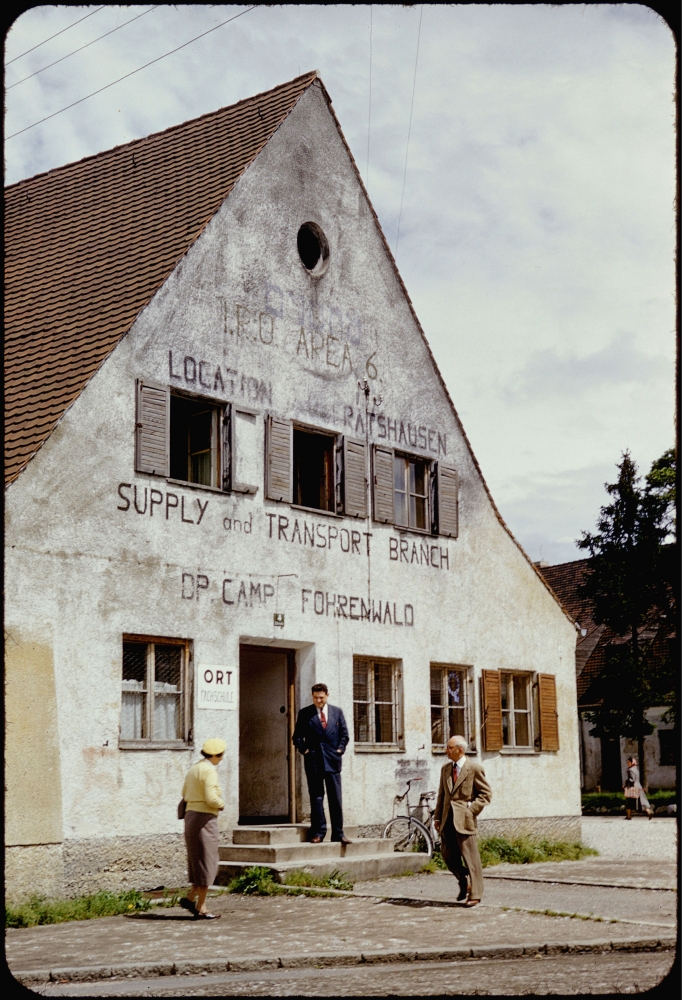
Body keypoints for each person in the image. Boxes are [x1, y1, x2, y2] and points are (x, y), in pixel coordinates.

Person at [433, 735, 492, 907]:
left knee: (470, 857)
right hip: (447, 819)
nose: (446, 751)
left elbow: (486, 794)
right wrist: (437, 817)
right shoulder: (445, 769)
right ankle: (463, 880)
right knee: (448, 856)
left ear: (460, 750)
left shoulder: (474, 768)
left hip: (464, 819)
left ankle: (476, 893)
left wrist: (471, 810)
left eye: (449, 748)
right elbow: (442, 795)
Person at [293, 683, 350, 844]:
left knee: (335, 798)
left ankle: (338, 833)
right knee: (317, 797)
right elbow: (297, 737)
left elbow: (344, 735)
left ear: (327, 695)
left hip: (333, 761)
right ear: (312, 697)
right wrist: (304, 750)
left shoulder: (336, 712)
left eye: (321, 697)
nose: (318, 700)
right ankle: (318, 832)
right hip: (314, 762)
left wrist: (339, 750)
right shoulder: (305, 713)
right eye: (316, 698)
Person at [179, 738, 226, 919]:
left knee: (197, 860)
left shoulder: (195, 768)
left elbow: (184, 793)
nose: (221, 758)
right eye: (220, 755)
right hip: (205, 818)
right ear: (214, 755)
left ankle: (191, 899)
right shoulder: (209, 770)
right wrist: (220, 804)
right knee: (207, 861)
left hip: (191, 816)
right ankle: (202, 907)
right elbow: (211, 797)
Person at [623, 755, 653, 820]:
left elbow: (632, 779)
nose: (627, 764)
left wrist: (626, 783)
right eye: (627, 762)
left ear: (632, 763)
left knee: (629, 802)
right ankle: (649, 812)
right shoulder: (636, 769)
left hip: (632, 788)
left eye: (629, 762)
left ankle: (628, 816)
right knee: (641, 801)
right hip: (638, 787)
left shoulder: (630, 770)